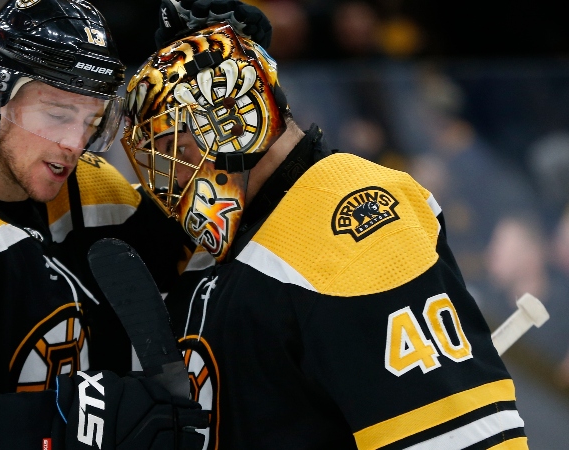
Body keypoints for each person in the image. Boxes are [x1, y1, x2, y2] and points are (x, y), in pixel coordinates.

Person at [0, 0, 279, 448]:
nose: (74, 143)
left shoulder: (93, 190)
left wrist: (228, 84)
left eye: (91, 121)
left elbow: (212, 265)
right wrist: (80, 418)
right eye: (58, 115)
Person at [121, 10, 530, 449]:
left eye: (176, 150)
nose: (173, 179)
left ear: (235, 124)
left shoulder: (349, 214)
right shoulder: (234, 232)